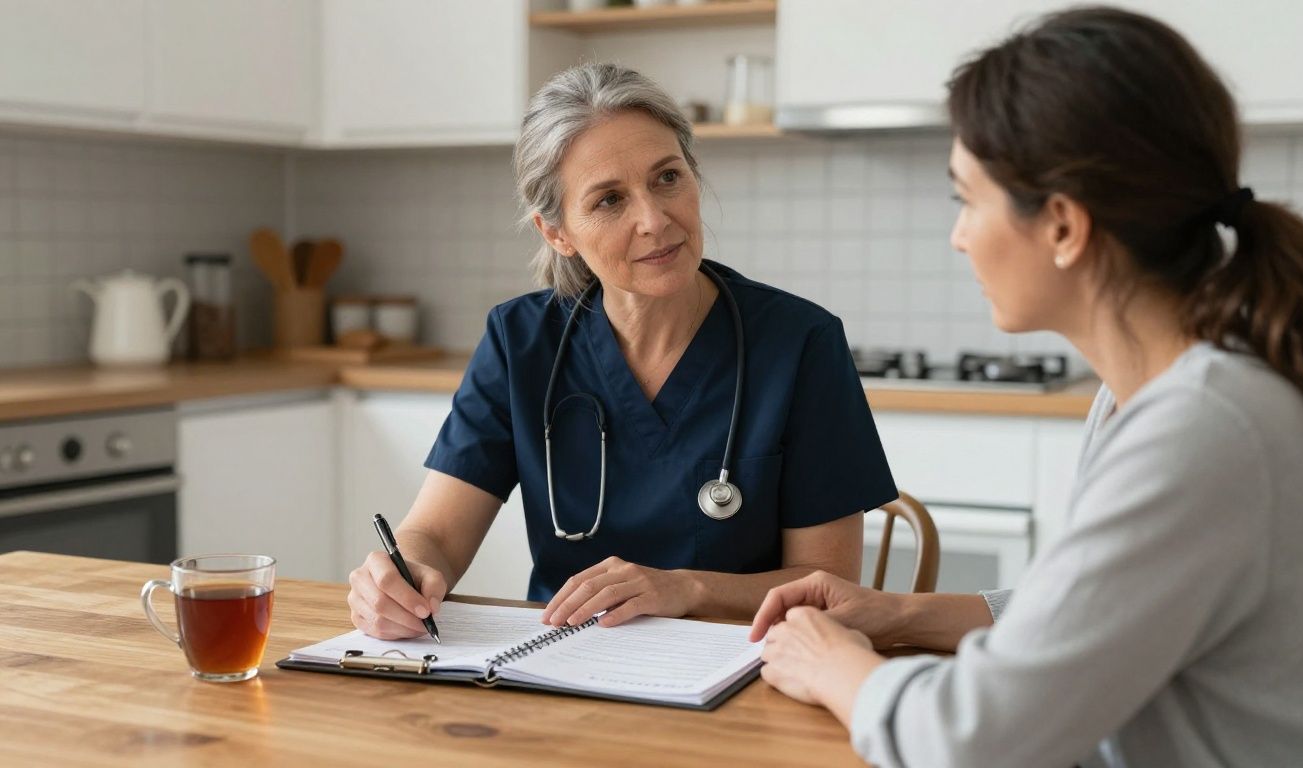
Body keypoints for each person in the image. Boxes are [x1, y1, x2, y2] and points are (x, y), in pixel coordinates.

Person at [749, 7, 1303, 767]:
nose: (958, 235)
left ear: (1063, 226)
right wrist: (903, 612)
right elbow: (1086, 616)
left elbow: (976, 739)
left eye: (967, 198)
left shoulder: (1205, 426)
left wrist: (836, 668)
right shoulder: (1149, 393)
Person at [346, 63, 897, 638]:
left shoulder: (800, 343)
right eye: (609, 200)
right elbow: (433, 535)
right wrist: (400, 575)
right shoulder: (520, 342)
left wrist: (687, 587)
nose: (655, 220)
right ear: (557, 232)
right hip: (562, 667)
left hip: (749, 674)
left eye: (667, 178)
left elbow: (830, 584)